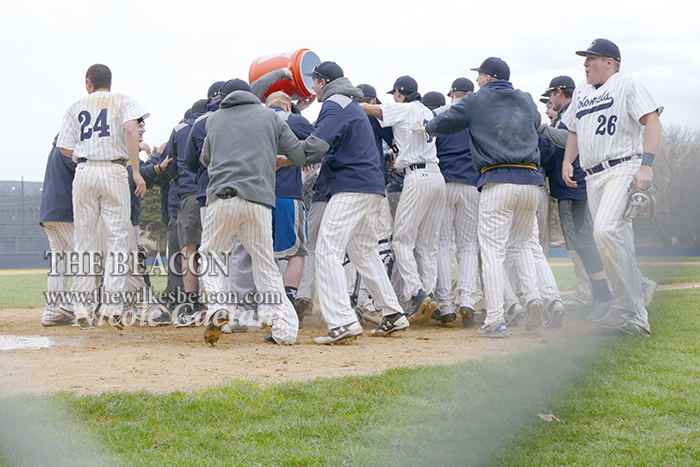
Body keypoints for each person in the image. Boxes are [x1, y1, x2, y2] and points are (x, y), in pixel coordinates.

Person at [425, 57, 545, 338]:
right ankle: (534, 297)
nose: (477, 80)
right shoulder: (526, 99)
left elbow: (445, 122)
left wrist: (428, 129)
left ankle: (495, 319)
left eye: (479, 76)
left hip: (497, 179)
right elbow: (537, 123)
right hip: (530, 181)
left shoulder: (477, 100)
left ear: (488, 77)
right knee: (522, 244)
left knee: (492, 251)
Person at [292, 61, 409, 343]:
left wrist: (290, 155)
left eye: (315, 81)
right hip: (369, 185)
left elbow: (316, 146)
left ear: (322, 82)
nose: (313, 86)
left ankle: (342, 322)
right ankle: (393, 313)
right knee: (363, 250)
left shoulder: (334, 104)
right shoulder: (351, 105)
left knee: (328, 249)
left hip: (352, 186)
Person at [561, 39, 662, 335]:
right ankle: (636, 296)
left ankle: (631, 311)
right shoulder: (581, 91)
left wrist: (647, 165)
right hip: (593, 176)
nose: (585, 64)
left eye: (591, 58)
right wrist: (568, 161)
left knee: (605, 231)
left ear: (610, 62)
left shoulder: (626, 84)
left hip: (623, 166)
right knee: (609, 239)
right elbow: (574, 130)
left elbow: (652, 121)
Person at [199, 79, 305, 346]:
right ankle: (286, 330)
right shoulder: (270, 116)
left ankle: (218, 308)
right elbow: (298, 153)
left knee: (210, 254)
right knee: (265, 263)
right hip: (259, 199)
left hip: (221, 198)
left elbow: (204, 158)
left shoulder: (214, 119)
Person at [57, 64, 148, 330]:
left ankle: (82, 308)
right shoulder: (123, 100)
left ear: (89, 82)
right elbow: (132, 130)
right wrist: (137, 171)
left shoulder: (75, 106)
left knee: (84, 239)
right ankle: (112, 306)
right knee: (119, 239)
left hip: (83, 170)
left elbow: (64, 149)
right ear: (110, 81)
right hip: (114, 169)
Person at [360, 75, 446, 325]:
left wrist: (344, 101)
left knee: (401, 242)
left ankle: (418, 294)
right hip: (437, 176)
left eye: (394, 93)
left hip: (417, 176)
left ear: (399, 92)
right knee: (428, 244)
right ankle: (428, 294)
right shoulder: (427, 111)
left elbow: (371, 108)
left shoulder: (404, 107)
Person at [538, 76, 615, 322]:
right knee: (582, 244)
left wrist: (541, 131)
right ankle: (603, 294)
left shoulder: (572, 114)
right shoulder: (563, 117)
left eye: (550, 95)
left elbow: (574, 141)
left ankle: (606, 295)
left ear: (559, 91)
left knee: (583, 244)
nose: (549, 101)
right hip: (569, 190)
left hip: (574, 188)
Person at [432, 78, 483, 327]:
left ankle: (445, 303)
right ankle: (468, 301)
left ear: (452, 93)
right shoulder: (478, 117)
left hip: (444, 181)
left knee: (442, 243)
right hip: (472, 183)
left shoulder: (439, 114)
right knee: (468, 245)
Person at [265, 90, 314, 312]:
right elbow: (318, 141)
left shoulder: (259, 121)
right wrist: (302, 157)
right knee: (297, 251)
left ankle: (271, 301)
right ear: (287, 106)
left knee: (266, 253)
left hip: (260, 197)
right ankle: (289, 297)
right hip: (287, 195)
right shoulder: (294, 119)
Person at [39, 135, 77, 326]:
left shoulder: (57, 147)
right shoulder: (68, 148)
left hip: (50, 212)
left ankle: (52, 312)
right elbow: (83, 172)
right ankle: (70, 304)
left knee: (60, 264)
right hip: (65, 212)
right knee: (90, 258)